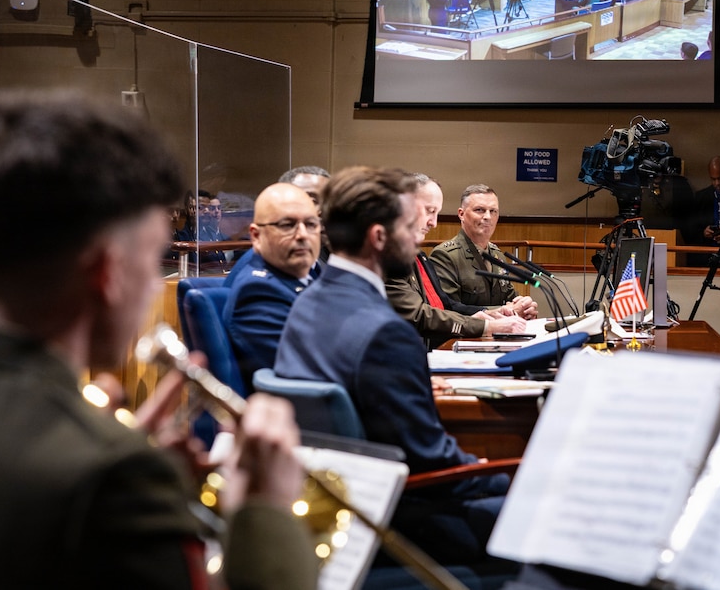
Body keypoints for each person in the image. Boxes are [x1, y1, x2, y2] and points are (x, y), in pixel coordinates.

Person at [0, 89, 316, 589]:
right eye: (150, 262)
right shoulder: (116, 476)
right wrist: (264, 514)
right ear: (107, 271)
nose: (150, 286)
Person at [274, 166, 510, 564]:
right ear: (379, 237)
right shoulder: (386, 333)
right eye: (410, 225)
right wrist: (500, 473)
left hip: (336, 504)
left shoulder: (307, 302)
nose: (419, 235)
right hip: (398, 519)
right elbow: (431, 461)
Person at [387, 174, 526, 348]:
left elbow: (444, 305)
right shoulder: (386, 256)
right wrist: (485, 326)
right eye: (430, 211)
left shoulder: (417, 255)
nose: (434, 223)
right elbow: (419, 315)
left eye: (436, 213)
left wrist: (489, 313)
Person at [223, 182, 323, 390]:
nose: (303, 234)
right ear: (256, 236)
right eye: (287, 225)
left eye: (311, 224)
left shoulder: (308, 276)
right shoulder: (257, 292)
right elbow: (308, 373)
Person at [429, 184, 539, 319]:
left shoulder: (497, 255)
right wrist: (503, 311)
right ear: (461, 214)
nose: (488, 217)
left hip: (501, 335)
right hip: (464, 338)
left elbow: (509, 299)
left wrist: (524, 307)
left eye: (493, 211)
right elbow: (447, 310)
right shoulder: (445, 256)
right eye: (480, 210)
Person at [174, 189, 230, 266]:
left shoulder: (212, 234)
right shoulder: (182, 237)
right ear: (190, 210)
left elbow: (223, 264)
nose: (206, 211)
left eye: (208, 207)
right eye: (201, 207)